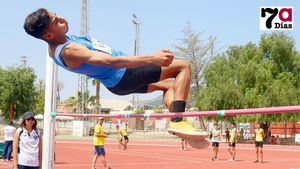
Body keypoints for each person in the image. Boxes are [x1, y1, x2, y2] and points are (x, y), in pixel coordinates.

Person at [23, 8, 207, 148]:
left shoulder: (58, 41)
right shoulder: (70, 51)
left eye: (57, 15)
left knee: (168, 86)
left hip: (117, 83)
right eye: (56, 21)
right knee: (183, 66)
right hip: (125, 74)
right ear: (48, 34)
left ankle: (179, 126)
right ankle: (178, 122)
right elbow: (111, 61)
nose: (62, 18)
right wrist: (152, 57)